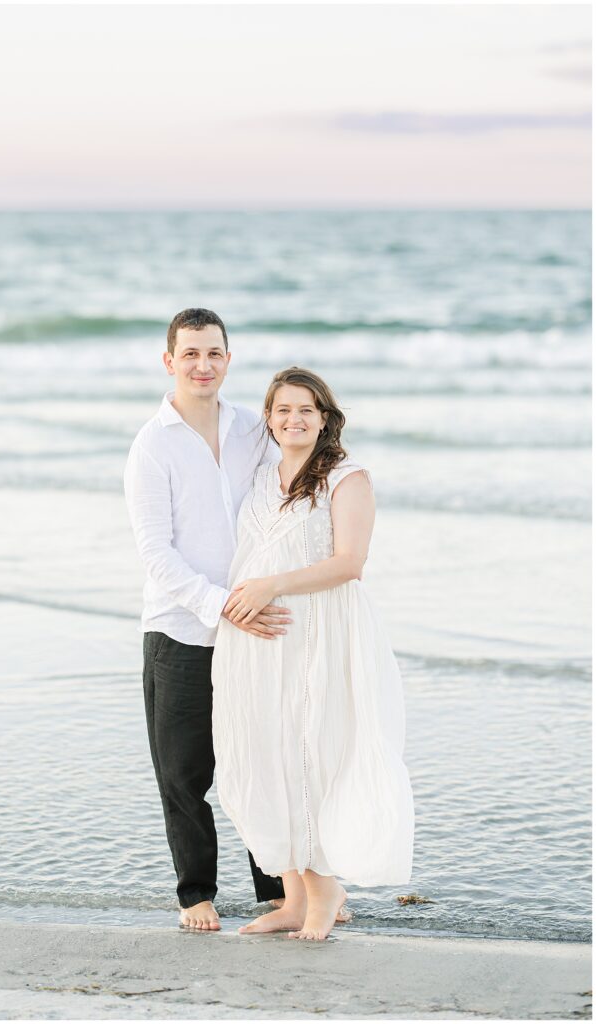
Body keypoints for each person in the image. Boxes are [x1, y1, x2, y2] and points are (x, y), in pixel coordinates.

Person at [212, 366, 415, 941]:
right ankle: (293, 896)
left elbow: (350, 563)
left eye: (305, 409)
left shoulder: (346, 478)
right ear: (269, 421)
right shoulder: (261, 477)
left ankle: (326, 888)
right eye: (282, 411)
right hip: (259, 639)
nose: (293, 419)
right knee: (268, 752)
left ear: (325, 418)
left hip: (321, 632)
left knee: (316, 750)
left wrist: (270, 587)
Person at [123, 308, 293, 932]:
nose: (202, 365)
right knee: (184, 773)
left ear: (228, 358)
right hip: (181, 630)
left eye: (214, 353)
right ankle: (196, 893)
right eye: (190, 353)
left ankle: (278, 891)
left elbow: (295, 485)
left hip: (255, 627)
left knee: (259, 762)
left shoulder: (254, 429)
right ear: (169, 360)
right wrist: (223, 605)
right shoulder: (153, 444)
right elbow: (155, 553)